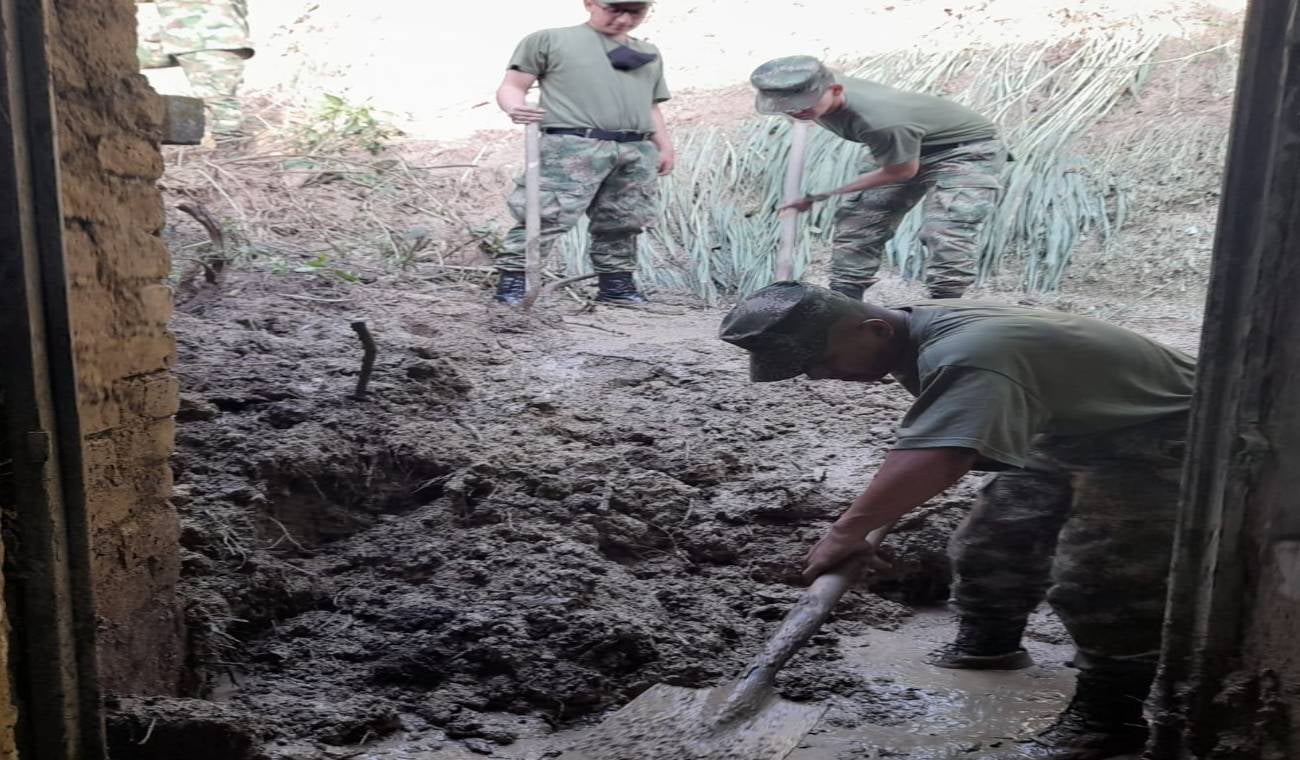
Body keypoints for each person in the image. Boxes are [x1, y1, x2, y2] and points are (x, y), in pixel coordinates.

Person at [719, 282, 1197, 759]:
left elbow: (943, 455)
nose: (820, 376)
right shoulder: (911, 327)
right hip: (1070, 422)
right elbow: (944, 439)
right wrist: (871, 516)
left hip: (1168, 425)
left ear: (875, 329)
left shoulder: (967, 352)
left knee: (1104, 578)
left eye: (821, 362)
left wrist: (847, 530)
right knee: (993, 539)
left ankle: (1110, 718)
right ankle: (989, 645)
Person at [750, 56, 1007, 301]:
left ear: (837, 90)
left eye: (804, 107)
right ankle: (844, 303)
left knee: (946, 230)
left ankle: (945, 307)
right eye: (788, 109)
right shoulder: (811, 83)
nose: (796, 113)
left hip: (963, 150)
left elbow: (902, 172)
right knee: (858, 222)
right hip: (900, 146)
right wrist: (805, 110)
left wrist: (820, 196)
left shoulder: (880, 121)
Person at [492, 0, 675, 307]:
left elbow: (650, 104)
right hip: (571, 145)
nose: (624, 19)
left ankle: (616, 287)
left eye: (636, 11)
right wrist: (515, 107)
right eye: (615, 8)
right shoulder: (549, 40)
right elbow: (513, 85)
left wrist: (665, 145)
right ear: (590, 3)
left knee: (624, 218)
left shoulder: (648, 53)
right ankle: (514, 283)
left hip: (635, 149)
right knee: (545, 214)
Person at [136, 0, 254, 140]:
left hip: (209, 38)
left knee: (222, 106)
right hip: (189, 37)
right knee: (112, 55)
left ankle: (230, 150)